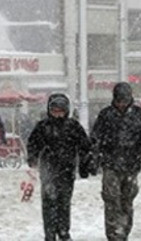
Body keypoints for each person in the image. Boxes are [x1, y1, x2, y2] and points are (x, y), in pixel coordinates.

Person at [89, 82, 141, 241]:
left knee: (127, 200)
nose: (121, 104)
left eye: (124, 100)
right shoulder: (106, 115)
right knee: (111, 199)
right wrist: (93, 160)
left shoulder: (139, 115)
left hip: (131, 165)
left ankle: (124, 230)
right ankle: (114, 233)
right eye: (119, 100)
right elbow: (95, 139)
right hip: (110, 164)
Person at [27, 93, 91, 241]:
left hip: (67, 172)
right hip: (48, 171)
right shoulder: (43, 127)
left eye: (60, 111)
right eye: (54, 110)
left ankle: (63, 231)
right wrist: (33, 159)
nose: (57, 114)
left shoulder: (73, 126)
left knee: (64, 203)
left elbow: (84, 146)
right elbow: (33, 145)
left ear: (66, 110)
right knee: (49, 203)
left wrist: (85, 164)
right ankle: (49, 234)